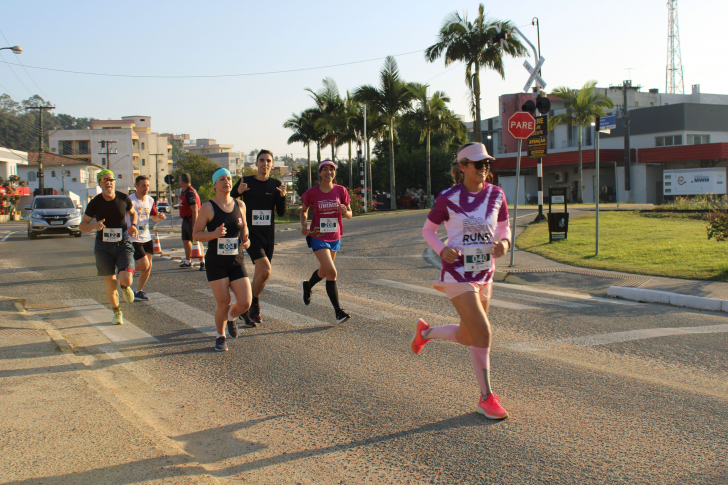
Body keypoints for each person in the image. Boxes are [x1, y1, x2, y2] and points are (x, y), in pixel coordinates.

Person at [413, 142, 511, 420]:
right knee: (483, 332)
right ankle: (486, 398)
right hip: (457, 274)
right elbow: (428, 230)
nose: (484, 169)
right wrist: (442, 249)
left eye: (487, 164)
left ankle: (425, 333)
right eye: (478, 164)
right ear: (463, 167)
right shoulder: (448, 197)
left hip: (485, 273)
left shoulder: (496, 194)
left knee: (469, 336)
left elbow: (504, 227)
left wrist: (504, 242)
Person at [193, 168, 252, 352]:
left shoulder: (240, 206)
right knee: (223, 302)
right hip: (216, 263)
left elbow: (244, 229)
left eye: (228, 178)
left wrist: (246, 239)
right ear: (214, 185)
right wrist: (214, 234)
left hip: (236, 260)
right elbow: (196, 234)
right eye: (222, 179)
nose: (226, 182)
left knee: (245, 302)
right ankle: (220, 336)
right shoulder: (208, 207)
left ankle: (231, 318)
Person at [230, 149, 287, 328]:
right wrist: (237, 192)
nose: (265, 163)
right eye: (261, 160)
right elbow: (228, 202)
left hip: (268, 236)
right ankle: (254, 305)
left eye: (268, 161)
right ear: (256, 163)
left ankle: (246, 309)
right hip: (250, 235)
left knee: (261, 274)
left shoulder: (276, 184)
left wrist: (283, 197)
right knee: (266, 270)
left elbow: (282, 212)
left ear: (272, 164)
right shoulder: (245, 182)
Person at [79, 169, 139, 325]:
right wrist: (94, 225)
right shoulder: (94, 203)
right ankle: (117, 312)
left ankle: (125, 287)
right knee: (111, 282)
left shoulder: (123, 198)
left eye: (111, 179)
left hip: (123, 243)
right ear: (99, 183)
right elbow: (82, 226)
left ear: (114, 182)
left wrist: (132, 225)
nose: (108, 182)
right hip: (103, 247)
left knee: (126, 278)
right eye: (104, 180)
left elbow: (133, 213)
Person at [299, 160, 352, 324]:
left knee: (324, 271)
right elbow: (304, 211)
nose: (329, 172)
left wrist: (346, 211)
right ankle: (338, 312)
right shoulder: (312, 192)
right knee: (332, 272)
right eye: (325, 169)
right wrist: (303, 225)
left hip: (335, 236)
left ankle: (308, 285)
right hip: (318, 236)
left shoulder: (341, 190)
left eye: (332, 169)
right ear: (320, 173)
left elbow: (350, 213)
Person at [127, 175, 166, 301]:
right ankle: (123, 268)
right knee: (144, 264)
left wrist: (159, 218)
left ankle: (138, 291)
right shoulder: (130, 201)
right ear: (136, 186)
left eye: (148, 185)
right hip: (134, 237)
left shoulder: (150, 200)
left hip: (146, 236)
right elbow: (121, 217)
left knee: (148, 267)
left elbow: (154, 217)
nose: (146, 188)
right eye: (143, 185)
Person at [178, 173, 204, 270]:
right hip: (185, 220)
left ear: (182, 181)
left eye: (179, 180)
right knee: (186, 241)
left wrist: (195, 224)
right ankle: (188, 261)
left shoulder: (190, 193)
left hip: (190, 220)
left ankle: (202, 261)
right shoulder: (184, 191)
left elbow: (195, 208)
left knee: (196, 240)